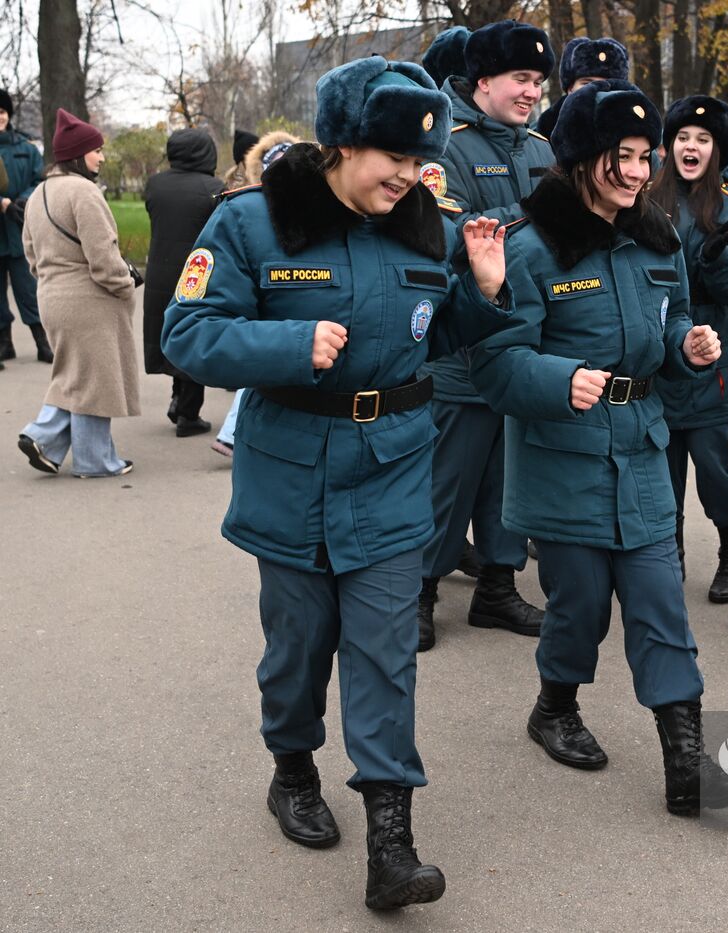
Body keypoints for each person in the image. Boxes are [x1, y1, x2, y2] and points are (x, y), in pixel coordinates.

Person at [161, 56, 514, 909]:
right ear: (343, 144)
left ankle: (392, 841)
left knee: (386, 657)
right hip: (290, 476)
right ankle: (292, 768)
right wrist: (287, 346)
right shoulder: (253, 222)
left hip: (392, 474)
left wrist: (486, 294)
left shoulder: (423, 221)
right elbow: (187, 332)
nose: (409, 174)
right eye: (394, 156)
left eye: (419, 158)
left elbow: (435, 333)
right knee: (297, 652)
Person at [471, 79, 728, 815]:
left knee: (661, 602)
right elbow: (496, 364)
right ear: (580, 159)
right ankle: (554, 707)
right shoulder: (530, 249)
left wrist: (687, 344)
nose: (639, 173)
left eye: (645, 157)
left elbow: (663, 327)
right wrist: (559, 377)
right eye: (622, 158)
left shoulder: (655, 239)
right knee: (578, 608)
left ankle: (689, 764)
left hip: (639, 448)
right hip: (562, 456)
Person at [414, 20, 554, 650]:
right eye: (522, 79)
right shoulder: (445, 147)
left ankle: (497, 588)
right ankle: (418, 592)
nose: (532, 92)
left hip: (526, 350)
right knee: (447, 478)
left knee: (507, 479)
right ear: (485, 81)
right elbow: (449, 237)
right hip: (464, 350)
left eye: (539, 82)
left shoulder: (541, 150)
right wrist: (541, 220)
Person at [652, 95, 728, 602]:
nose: (690, 146)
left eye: (702, 140)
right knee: (662, 470)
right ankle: (666, 556)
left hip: (712, 361)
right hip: (655, 358)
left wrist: (717, 258)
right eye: (682, 138)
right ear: (669, 145)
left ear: (716, 150)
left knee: (713, 471)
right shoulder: (642, 200)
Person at [16, 109, 139, 478]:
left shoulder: (39, 193)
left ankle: (49, 442)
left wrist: (52, 278)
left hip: (51, 296)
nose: (101, 156)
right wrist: (126, 283)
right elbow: (103, 258)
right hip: (88, 301)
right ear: (77, 153)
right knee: (93, 378)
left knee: (77, 375)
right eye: (95, 150)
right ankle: (92, 460)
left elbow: (30, 252)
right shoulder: (84, 192)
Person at [210, 129, 302, 458]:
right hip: (265, 301)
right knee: (263, 369)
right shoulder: (244, 208)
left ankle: (231, 434)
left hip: (282, 300)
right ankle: (232, 435)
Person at [143, 128, 226, 437]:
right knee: (194, 334)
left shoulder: (155, 185)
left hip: (160, 271)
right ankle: (188, 413)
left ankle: (178, 400)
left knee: (171, 332)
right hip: (197, 273)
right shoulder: (214, 188)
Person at [0, 88, 50, 365]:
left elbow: (39, 180)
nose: (0, 117)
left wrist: (22, 199)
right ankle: (4, 344)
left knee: (27, 288)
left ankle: (43, 343)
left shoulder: (26, 149)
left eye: (2, 112)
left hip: (19, 230)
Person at [535, 35, 630, 139]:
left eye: (607, 85)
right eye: (587, 84)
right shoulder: (542, 135)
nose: (596, 90)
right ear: (570, 89)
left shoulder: (637, 129)